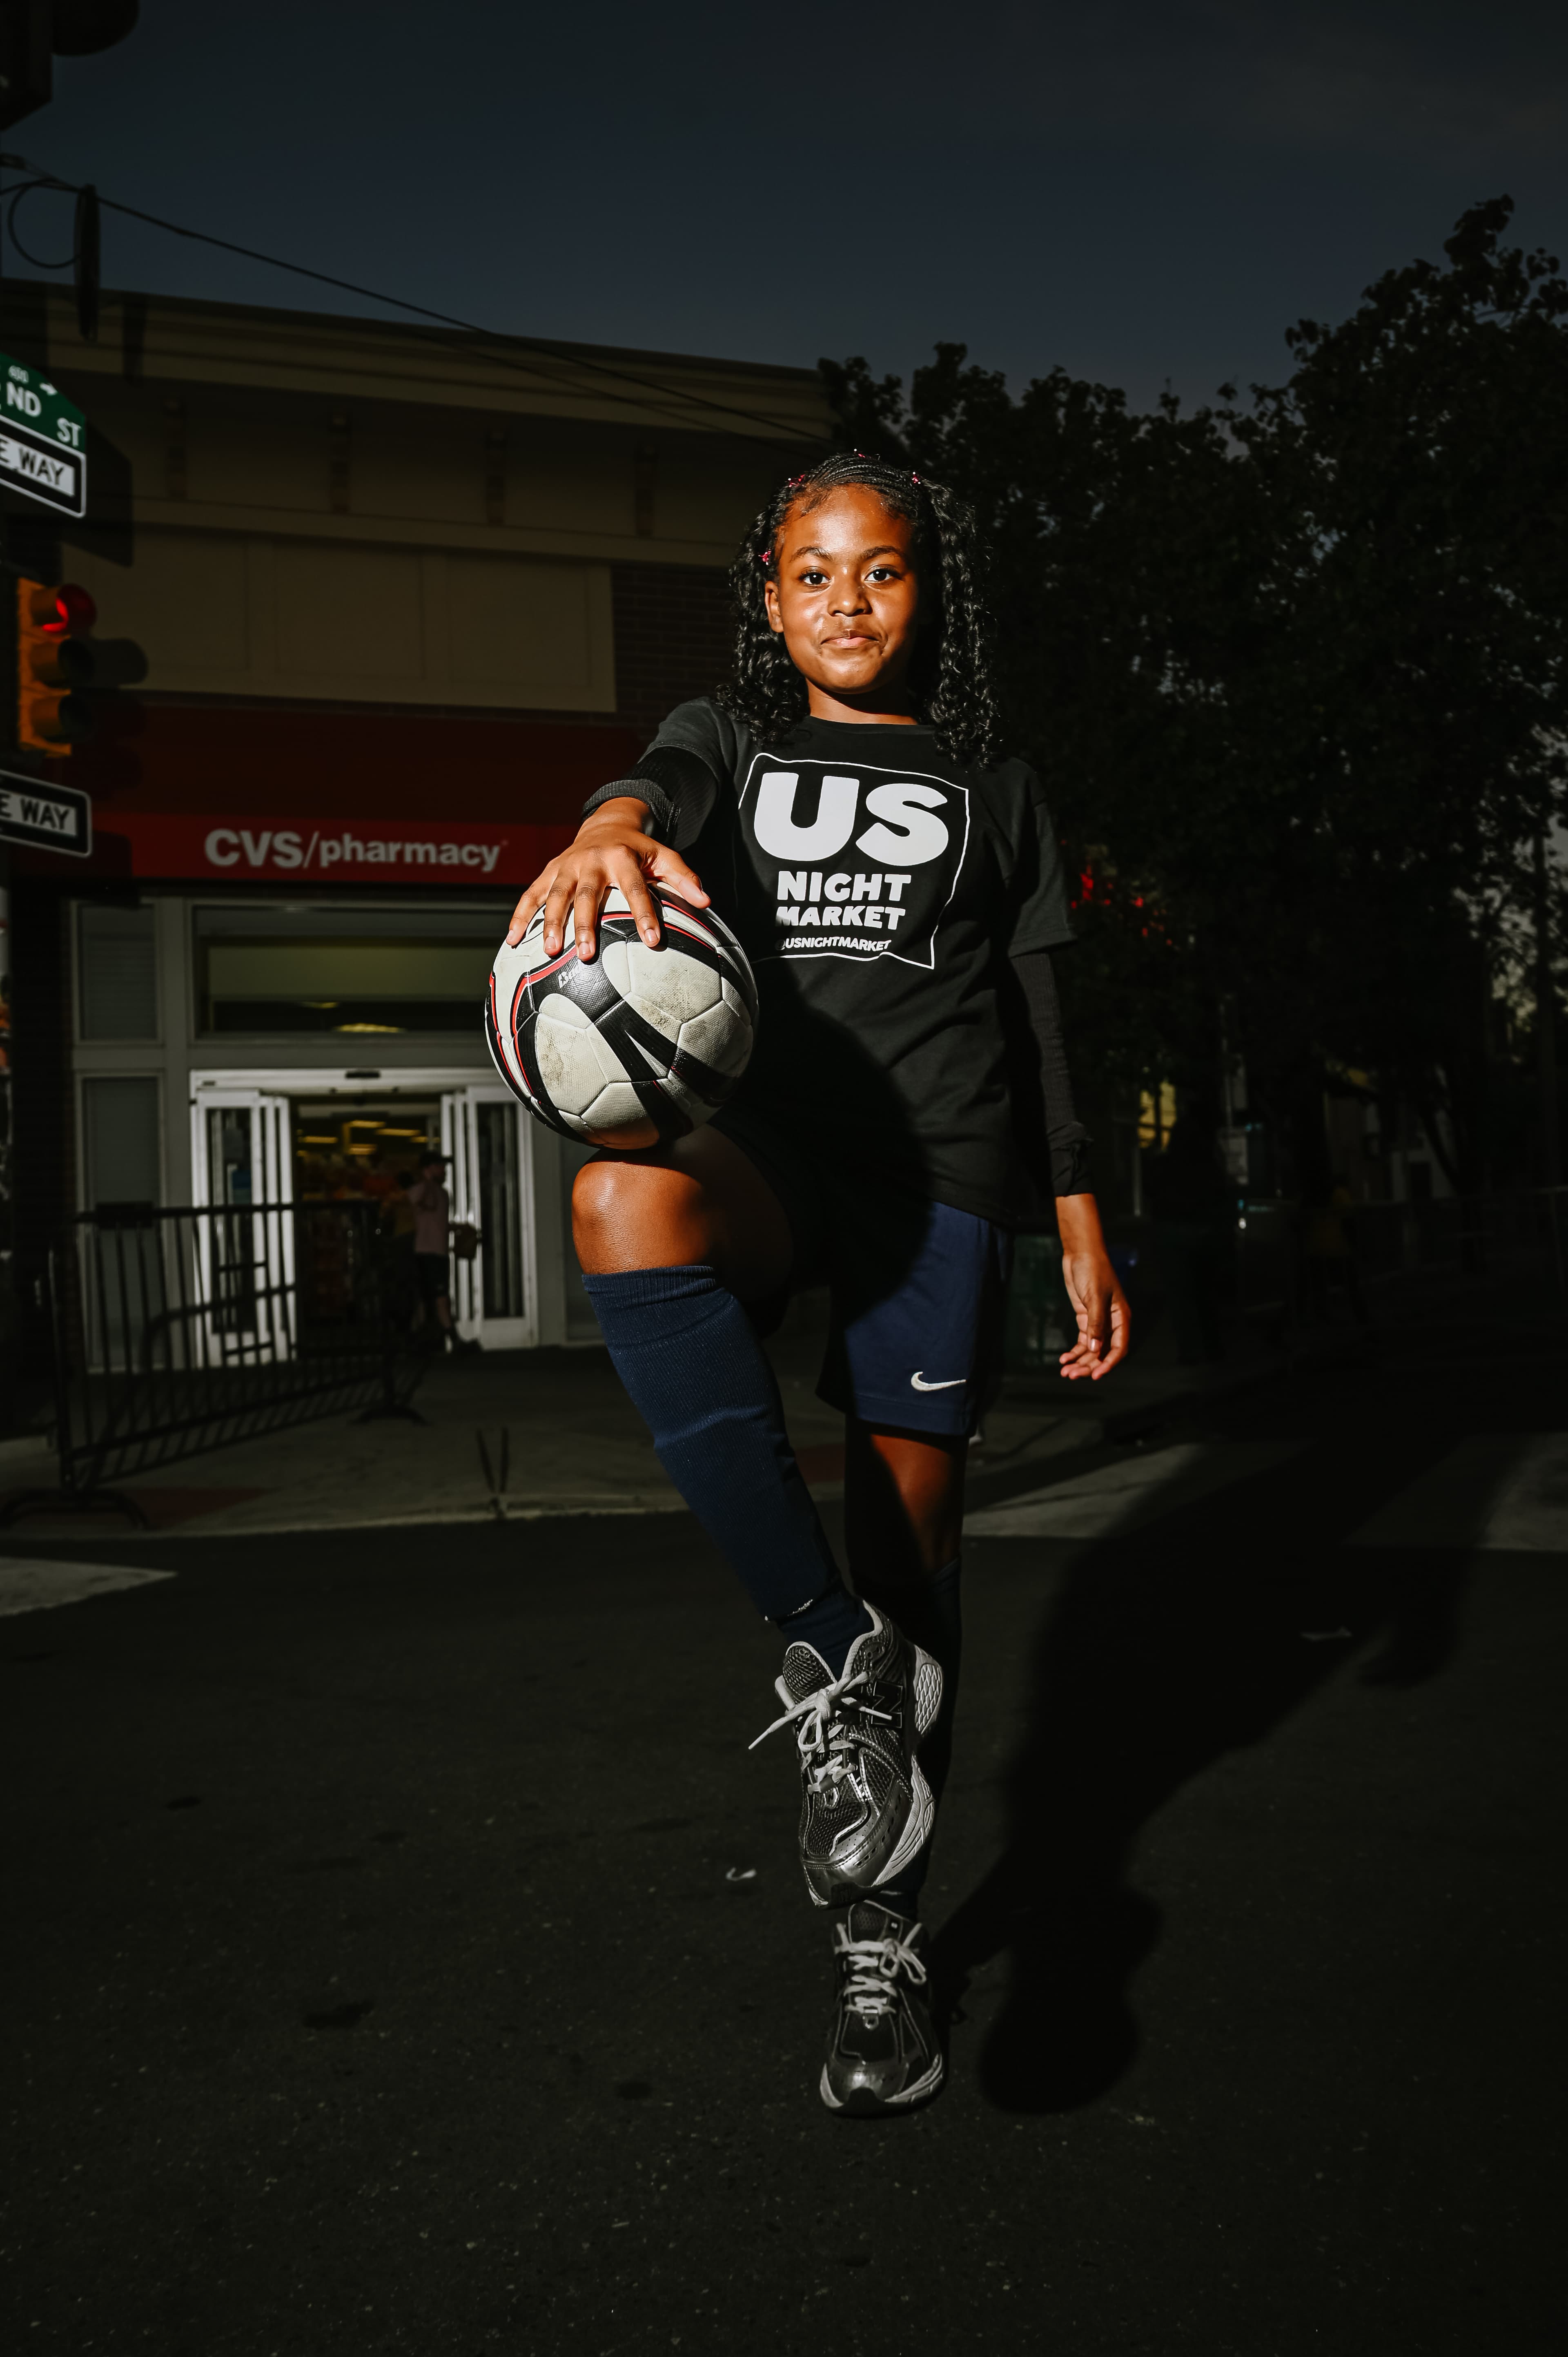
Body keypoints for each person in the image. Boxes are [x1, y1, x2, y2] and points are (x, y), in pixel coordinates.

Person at [506, 452, 1129, 2115]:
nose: (844, 599)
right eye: (810, 574)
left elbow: (1041, 1016)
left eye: (881, 570)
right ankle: (822, 1643)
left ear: (934, 589)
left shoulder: (995, 778)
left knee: (914, 1560)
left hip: (945, 1180)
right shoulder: (730, 737)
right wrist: (604, 829)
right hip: (779, 1150)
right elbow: (646, 788)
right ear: (767, 600)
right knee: (622, 1197)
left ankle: (881, 1948)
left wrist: (1078, 1213)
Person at [405, 1151, 479, 1353]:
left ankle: (418, 1340)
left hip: (439, 1253)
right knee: (439, 1298)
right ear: (429, 1169)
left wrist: (456, 1228)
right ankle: (452, 1339)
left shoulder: (443, 1193)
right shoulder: (423, 1189)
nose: (444, 1170)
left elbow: (437, 1223)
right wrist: (426, 1184)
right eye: (440, 1167)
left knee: (430, 1298)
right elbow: (413, 1201)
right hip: (426, 1252)